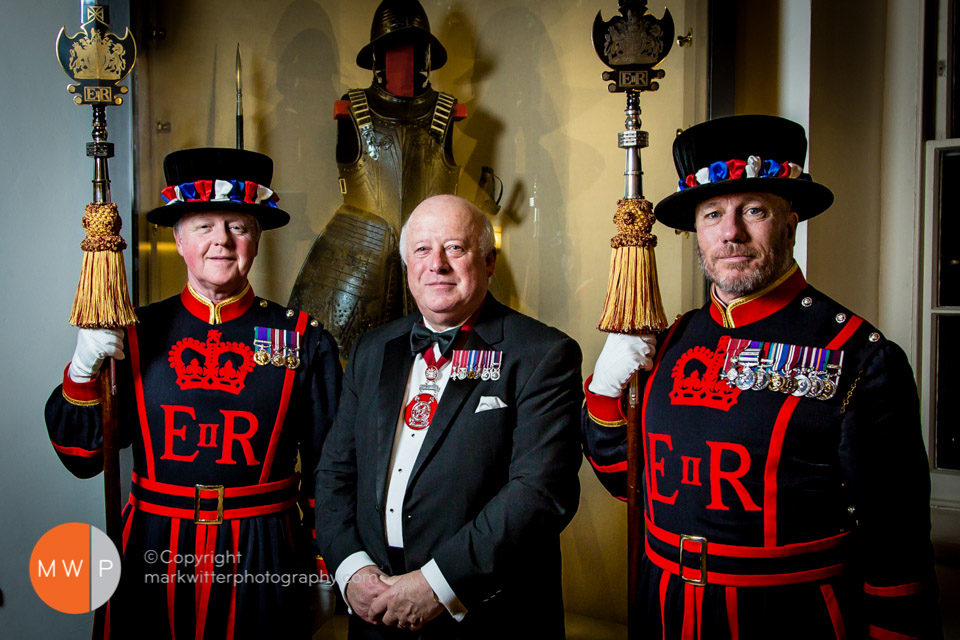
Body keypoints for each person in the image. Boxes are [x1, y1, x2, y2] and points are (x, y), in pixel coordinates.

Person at [582, 115, 942, 638]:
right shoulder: (674, 338)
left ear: (790, 221)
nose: (731, 233)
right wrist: (605, 389)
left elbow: (897, 543)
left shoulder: (858, 355)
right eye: (712, 214)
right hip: (664, 609)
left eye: (753, 210)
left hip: (790, 617)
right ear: (696, 232)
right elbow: (628, 483)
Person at [45, 147, 342, 638]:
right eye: (204, 226)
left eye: (239, 226)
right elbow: (80, 456)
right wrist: (82, 370)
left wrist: (325, 564)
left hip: (266, 549)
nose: (221, 241)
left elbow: (329, 472)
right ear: (179, 238)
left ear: (258, 239)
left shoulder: (305, 340)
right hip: (153, 546)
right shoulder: (133, 336)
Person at [315, 194, 582, 638]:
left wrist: (435, 586)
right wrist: (351, 570)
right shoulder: (371, 350)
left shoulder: (542, 354)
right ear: (407, 266)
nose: (436, 263)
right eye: (421, 249)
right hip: (374, 612)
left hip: (487, 616)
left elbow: (539, 493)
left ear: (489, 261)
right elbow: (335, 471)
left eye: (455, 248)